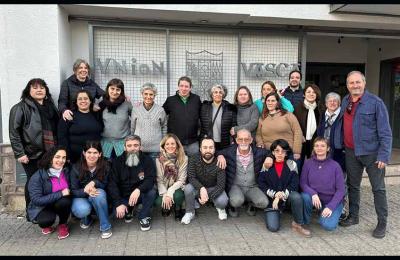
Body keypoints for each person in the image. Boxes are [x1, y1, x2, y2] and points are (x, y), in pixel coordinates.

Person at [338, 71, 392, 239]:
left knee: (378, 188)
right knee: (353, 186)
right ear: (347, 85)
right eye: (351, 83)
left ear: (364, 83)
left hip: (372, 153)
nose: (355, 85)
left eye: (358, 82)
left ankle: (382, 222)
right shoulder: (345, 101)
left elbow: (385, 131)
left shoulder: (376, 103)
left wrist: (384, 155)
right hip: (351, 152)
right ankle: (354, 216)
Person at [9, 78, 59, 219]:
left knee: (47, 182)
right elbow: (14, 132)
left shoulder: (50, 106)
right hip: (32, 154)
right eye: (35, 87)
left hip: (50, 152)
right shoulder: (20, 108)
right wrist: (20, 153)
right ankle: (32, 212)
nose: (39, 90)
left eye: (42, 87)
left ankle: (46, 210)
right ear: (28, 91)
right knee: (33, 182)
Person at [258, 139, 311, 237]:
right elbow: (262, 184)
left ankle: (297, 224)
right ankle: (277, 212)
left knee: (296, 196)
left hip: (287, 198)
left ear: (286, 153)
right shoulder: (267, 164)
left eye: (283, 151)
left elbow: (294, 185)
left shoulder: (292, 164)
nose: (280, 154)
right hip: (271, 200)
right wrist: (274, 195)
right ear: (273, 152)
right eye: (277, 151)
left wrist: (280, 196)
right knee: (273, 228)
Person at [107, 135, 157, 231]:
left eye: (135, 145)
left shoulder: (147, 160)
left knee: (152, 191)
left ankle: (143, 216)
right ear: (124, 147)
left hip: (139, 195)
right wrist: (118, 203)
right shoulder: (117, 162)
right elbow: (112, 183)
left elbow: (150, 179)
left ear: (140, 147)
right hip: (123, 196)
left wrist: (139, 189)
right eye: (129, 146)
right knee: (114, 215)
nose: (132, 148)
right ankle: (129, 208)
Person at [216, 129, 270, 217]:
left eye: (246, 139)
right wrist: (220, 155)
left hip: (253, 186)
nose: (243, 142)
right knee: (237, 201)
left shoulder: (258, 152)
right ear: (236, 140)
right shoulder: (229, 152)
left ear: (251, 140)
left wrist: (269, 157)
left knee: (264, 202)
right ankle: (232, 206)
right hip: (235, 186)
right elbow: (216, 152)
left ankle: (251, 204)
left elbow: (270, 152)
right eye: (240, 139)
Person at [300, 137, 345, 232]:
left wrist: (330, 207)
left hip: (331, 201)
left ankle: (331, 211)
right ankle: (306, 221)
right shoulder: (308, 163)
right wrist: (313, 193)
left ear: (328, 148)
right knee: (305, 196)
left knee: (328, 226)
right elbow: (303, 183)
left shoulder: (335, 166)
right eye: (316, 146)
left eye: (322, 146)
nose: (319, 148)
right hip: (315, 199)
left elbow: (341, 190)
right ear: (313, 148)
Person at [70, 141, 112, 239]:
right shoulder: (76, 167)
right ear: (84, 153)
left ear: (100, 154)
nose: (92, 156)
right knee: (82, 209)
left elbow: (107, 185)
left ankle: (105, 227)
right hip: (81, 196)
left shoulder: (106, 165)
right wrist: (86, 190)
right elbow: (73, 190)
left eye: (95, 152)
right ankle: (86, 218)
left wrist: (95, 182)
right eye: (89, 152)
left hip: (99, 194)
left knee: (99, 194)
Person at [181, 137, 228, 224]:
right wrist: (201, 190)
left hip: (213, 188)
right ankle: (190, 212)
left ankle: (220, 208)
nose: (208, 150)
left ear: (214, 149)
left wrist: (206, 197)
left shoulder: (220, 161)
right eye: (205, 147)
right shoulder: (194, 159)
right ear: (200, 149)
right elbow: (191, 177)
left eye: (211, 147)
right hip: (198, 187)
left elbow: (221, 185)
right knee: (188, 188)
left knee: (223, 201)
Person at [27, 146, 71, 240]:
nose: (61, 160)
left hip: (60, 203)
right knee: (45, 221)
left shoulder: (67, 171)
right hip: (43, 206)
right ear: (50, 158)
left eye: (64, 157)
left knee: (65, 201)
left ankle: (62, 224)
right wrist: (60, 193)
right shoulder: (37, 177)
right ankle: (48, 223)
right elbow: (36, 200)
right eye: (57, 157)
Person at [58, 90, 104, 164]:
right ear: (76, 102)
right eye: (80, 99)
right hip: (75, 157)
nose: (83, 101)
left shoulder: (97, 114)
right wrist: (67, 155)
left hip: (94, 157)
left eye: (86, 98)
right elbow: (62, 137)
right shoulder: (69, 115)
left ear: (90, 101)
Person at [256, 92, 302, 162]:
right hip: (269, 154)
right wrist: (260, 143)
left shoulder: (287, 115)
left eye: (273, 101)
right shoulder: (262, 118)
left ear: (277, 103)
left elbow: (297, 131)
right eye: (268, 101)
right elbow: (258, 134)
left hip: (287, 152)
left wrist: (297, 151)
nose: (270, 103)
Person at [163, 76, 202, 157]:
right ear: (178, 86)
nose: (184, 88)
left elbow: (203, 113)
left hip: (193, 143)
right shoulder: (170, 100)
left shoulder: (196, 99)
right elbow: (160, 114)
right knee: (176, 168)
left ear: (190, 88)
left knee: (193, 167)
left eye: (186, 86)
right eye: (181, 86)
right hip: (176, 143)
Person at [155, 134, 188, 220]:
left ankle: (178, 206)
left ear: (177, 144)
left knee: (177, 197)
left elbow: (182, 180)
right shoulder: (159, 160)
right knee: (159, 201)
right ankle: (168, 206)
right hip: (164, 186)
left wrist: (170, 192)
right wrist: (165, 194)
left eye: (173, 143)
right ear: (163, 146)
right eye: (167, 144)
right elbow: (159, 179)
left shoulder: (184, 158)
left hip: (177, 186)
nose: (170, 146)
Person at [132, 83, 167, 160]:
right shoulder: (135, 109)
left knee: (153, 172)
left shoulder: (160, 110)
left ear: (154, 95)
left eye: (151, 94)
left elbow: (164, 127)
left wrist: (163, 146)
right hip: (139, 149)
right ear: (142, 94)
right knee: (139, 172)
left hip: (155, 150)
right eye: (146, 94)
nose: (148, 97)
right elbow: (132, 128)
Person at [99, 78, 132, 160]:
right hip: (105, 143)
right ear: (108, 89)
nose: (114, 92)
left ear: (121, 91)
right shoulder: (102, 104)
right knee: (107, 169)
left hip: (123, 143)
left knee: (122, 169)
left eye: (118, 89)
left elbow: (135, 118)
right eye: (112, 89)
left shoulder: (127, 104)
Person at [293, 84, 325, 170]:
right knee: (299, 167)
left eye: (314, 92)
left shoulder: (321, 108)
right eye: (308, 92)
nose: (311, 94)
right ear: (304, 94)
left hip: (315, 141)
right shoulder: (298, 108)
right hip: (301, 141)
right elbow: (294, 125)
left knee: (314, 167)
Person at [200, 84, 237, 151]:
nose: (218, 94)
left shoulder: (230, 107)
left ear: (223, 95)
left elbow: (233, 125)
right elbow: (201, 125)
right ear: (212, 94)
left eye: (220, 92)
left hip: (225, 143)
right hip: (209, 143)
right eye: (215, 92)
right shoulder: (204, 107)